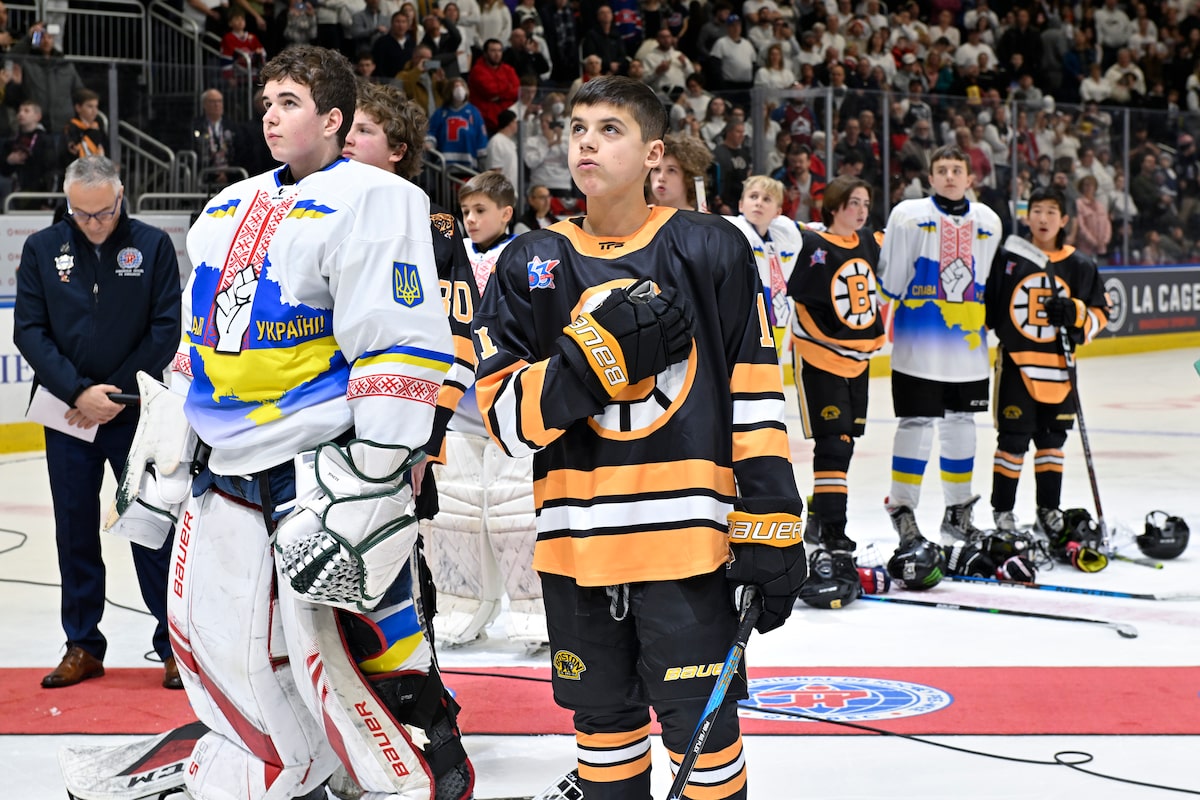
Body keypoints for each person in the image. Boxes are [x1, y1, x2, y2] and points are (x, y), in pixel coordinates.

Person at [471, 74, 806, 799]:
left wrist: (773, 518)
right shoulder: (531, 262)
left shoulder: (710, 247)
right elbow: (502, 418)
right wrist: (593, 363)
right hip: (578, 548)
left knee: (704, 740)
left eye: (610, 128)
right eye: (578, 128)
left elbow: (753, 390)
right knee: (603, 735)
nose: (587, 141)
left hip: (691, 548)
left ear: (654, 152)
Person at [164, 46, 467, 800]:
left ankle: (425, 763)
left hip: (321, 460)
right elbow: (195, 340)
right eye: (266, 100)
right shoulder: (226, 204)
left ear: (333, 119)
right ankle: (305, 763)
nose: (270, 113)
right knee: (232, 636)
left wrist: (380, 468)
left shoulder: (377, 198)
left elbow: (395, 337)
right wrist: (170, 445)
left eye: (291, 101)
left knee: (369, 631)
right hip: (227, 460)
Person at [336, 77, 480, 800]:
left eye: (362, 129)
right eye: (346, 128)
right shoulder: (312, 210)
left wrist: (425, 441)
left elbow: (458, 343)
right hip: (323, 438)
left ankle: (427, 715)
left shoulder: (434, 230)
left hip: (400, 442)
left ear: (396, 150)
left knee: (397, 581)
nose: (347, 140)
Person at [13, 155, 181, 690]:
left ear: (121, 195)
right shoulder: (42, 249)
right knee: (75, 531)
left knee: (151, 529)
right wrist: (79, 392)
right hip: (67, 415)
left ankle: (174, 645)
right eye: (82, 215)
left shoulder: (152, 245)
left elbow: (165, 328)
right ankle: (83, 644)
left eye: (104, 213)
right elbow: (30, 331)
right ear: (67, 204)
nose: (94, 224)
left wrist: (113, 390)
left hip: (133, 412)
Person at [422, 171, 549, 651]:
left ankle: (533, 607)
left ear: (506, 213)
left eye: (480, 211)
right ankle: (461, 601)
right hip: (458, 408)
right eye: (466, 210)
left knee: (517, 516)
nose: (470, 219)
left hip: (511, 406)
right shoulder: (444, 255)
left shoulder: (530, 253)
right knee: (454, 514)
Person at [875, 145, 1002, 586]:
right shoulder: (907, 214)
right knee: (915, 424)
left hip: (969, 351)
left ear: (970, 177)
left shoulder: (989, 221)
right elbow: (889, 279)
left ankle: (959, 511)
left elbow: (989, 281)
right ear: (931, 176)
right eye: (942, 169)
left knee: (963, 423)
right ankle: (903, 511)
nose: (950, 176)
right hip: (916, 346)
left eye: (957, 169)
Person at [987, 186, 1109, 544]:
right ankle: (1003, 511)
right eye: (1036, 210)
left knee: (1052, 442)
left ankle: (1048, 510)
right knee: (1011, 441)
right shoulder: (1009, 257)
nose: (1042, 218)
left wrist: (1076, 313)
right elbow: (992, 309)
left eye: (1051, 212)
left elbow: (1102, 314)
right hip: (1018, 365)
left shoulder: (1080, 265)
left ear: (1065, 219)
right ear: (1027, 215)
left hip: (1059, 369)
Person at [784, 175, 883, 606]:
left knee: (845, 444)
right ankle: (832, 530)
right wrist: (833, 342)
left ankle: (820, 518)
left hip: (859, 362)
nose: (860, 210)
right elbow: (799, 305)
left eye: (865, 202)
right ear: (834, 205)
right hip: (820, 359)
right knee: (834, 443)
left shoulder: (869, 243)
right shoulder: (812, 244)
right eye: (853, 202)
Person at [427, 76, 488, 169]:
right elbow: (431, 131)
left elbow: (481, 136)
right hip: (445, 165)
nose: (459, 89)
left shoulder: (473, 112)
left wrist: (482, 160)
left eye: (461, 86)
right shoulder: (441, 112)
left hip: (469, 164)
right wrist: (429, 142)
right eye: (456, 86)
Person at [647, 131, 712, 210]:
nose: (661, 178)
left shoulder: (702, 220)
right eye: (656, 169)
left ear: (689, 177)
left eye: (671, 170)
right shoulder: (639, 218)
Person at [64, 87, 105, 161]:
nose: (94, 111)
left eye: (96, 106)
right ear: (78, 108)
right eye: (90, 106)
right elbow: (71, 149)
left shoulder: (99, 124)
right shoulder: (71, 127)